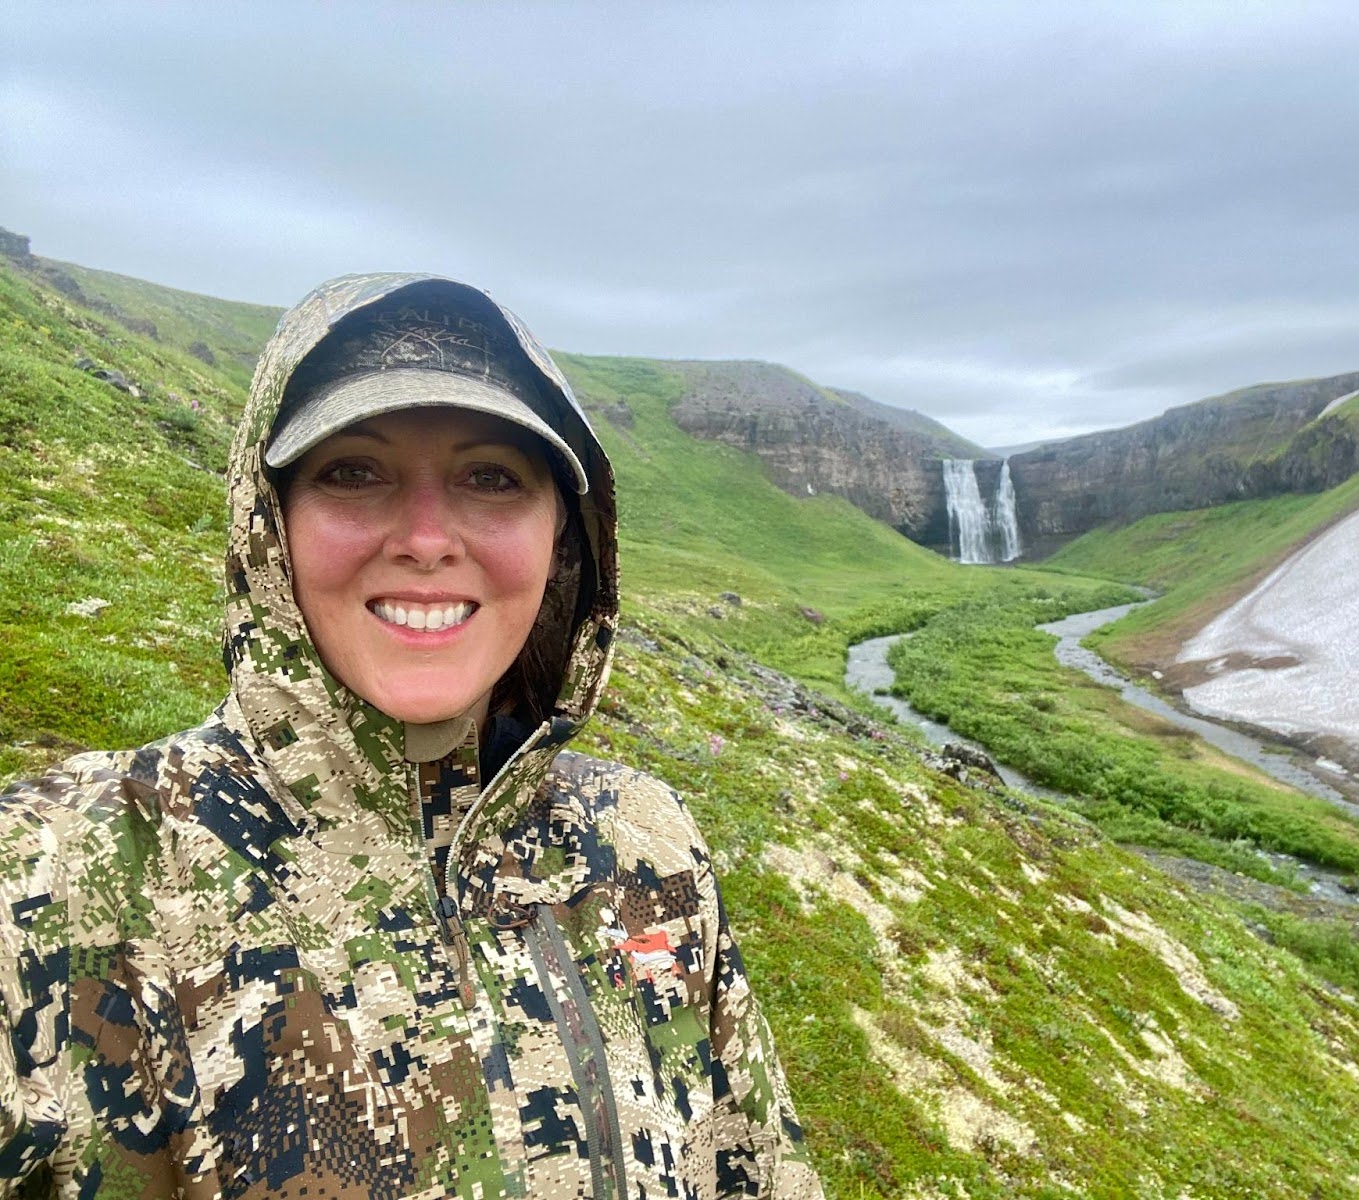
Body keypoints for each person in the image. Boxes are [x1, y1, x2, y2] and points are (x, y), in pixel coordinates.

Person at [0, 273, 825, 1199]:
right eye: (353, 470)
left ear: (563, 537)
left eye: (491, 478)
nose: (428, 539)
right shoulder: (56, 871)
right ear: (269, 522)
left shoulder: (647, 840)